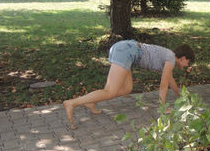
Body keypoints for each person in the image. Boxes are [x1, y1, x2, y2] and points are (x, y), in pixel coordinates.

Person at [63, 41, 195, 129]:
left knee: (127, 89)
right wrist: (163, 108)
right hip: (126, 51)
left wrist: (181, 96)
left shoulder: (169, 57)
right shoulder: (171, 58)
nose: (187, 66)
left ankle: (90, 101)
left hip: (126, 50)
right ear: (183, 58)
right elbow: (163, 85)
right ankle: (72, 103)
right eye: (188, 63)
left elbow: (171, 82)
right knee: (110, 91)